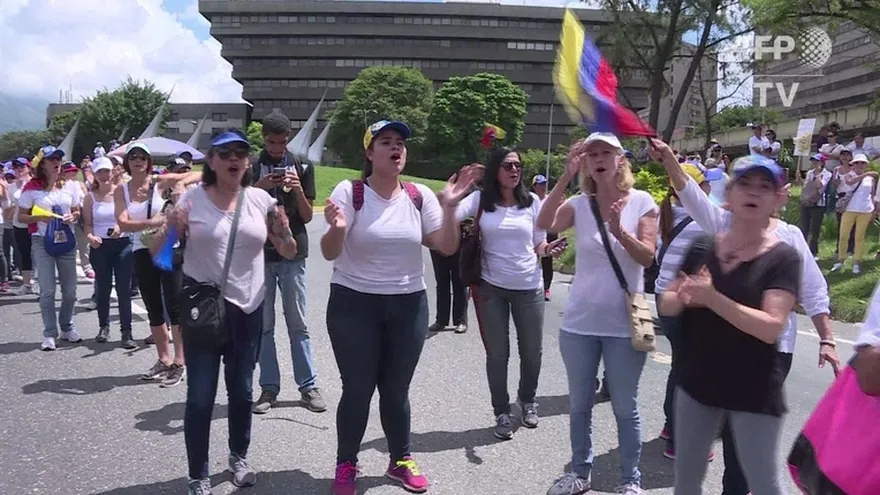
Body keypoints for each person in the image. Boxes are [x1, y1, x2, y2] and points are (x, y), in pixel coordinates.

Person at [321, 120, 474, 495]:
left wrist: (451, 208)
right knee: (357, 388)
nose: (395, 148)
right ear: (369, 152)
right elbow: (329, 252)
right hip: (354, 303)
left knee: (396, 389)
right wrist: (338, 228)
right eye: (385, 142)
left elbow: (446, 246)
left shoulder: (419, 195)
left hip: (407, 305)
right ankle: (346, 464)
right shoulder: (351, 191)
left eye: (400, 143)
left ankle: (400, 460)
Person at [157, 129, 298, 495]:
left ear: (247, 162)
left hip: (248, 309)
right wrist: (171, 229)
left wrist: (283, 232)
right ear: (212, 161)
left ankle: (239, 458)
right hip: (204, 310)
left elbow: (288, 250)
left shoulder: (262, 201)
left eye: (240, 152)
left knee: (242, 391)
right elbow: (160, 252)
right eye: (225, 153)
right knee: (201, 395)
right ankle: (198, 474)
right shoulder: (191, 200)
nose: (234, 158)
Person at [658, 152, 801, 495]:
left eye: (764, 187)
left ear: (777, 199)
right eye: (745, 185)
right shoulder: (704, 245)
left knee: (763, 484)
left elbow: (771, 326)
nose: (753, 193)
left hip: (754, 389)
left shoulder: (783, 257)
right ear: (729, 195)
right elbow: (667, 302)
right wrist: (681, 298)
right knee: (687, 483)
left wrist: (712, 299)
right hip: (697, 384)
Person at [539, 133, 658, 495]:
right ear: (585, 162)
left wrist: (619, 230)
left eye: (607, 152)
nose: (600, 158)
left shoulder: (642, 202)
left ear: (620, 159)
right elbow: (545, 221)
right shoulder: (579, 203)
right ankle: (580, 473)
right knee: (580, 405)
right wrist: (564, 176)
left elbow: (647, 258)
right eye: (592, 154)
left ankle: (629, 480)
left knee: (625, 407)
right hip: (580, 324)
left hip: (625, 325)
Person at [457, 148, 565, 441]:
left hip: (529, 287)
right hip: (490, 288)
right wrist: (455, 192)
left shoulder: (532, 202)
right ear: (496, 170)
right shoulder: (480, 200)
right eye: (508, 165)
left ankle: (527, 400)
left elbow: (539, 243)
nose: (515, 170)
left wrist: (549, 250)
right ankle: (501, 411)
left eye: (518, 165)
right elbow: (450, 214)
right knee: (498, 354)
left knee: (532, 351)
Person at [252, 111, 325, 415]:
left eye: (282, 142)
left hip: (294, 252)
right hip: (260, 254)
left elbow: (307, 217)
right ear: (263, 138)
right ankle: (268, 388)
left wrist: (295, 188)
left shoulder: (302, 164)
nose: (277, 148)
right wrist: (259, 185)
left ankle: (308, 386)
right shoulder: (251, 166)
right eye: (271, 142)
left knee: (298, 323)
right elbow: (237, 209)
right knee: (264, 326)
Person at [115, 142, 186, 387]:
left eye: (142, 157)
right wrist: (151, 222)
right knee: (153, 306)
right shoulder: (121, 190)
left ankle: (179, 361)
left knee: (175, 306)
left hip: (167, 248)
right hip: (141, 250)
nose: (138, 160)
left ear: (148, 161)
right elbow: (122, 222)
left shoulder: (159, 183)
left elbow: (194, 174)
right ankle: (163, 359)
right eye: (133, 156)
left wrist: (176, 183)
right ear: (127, 162)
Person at [18, 146, 82, 350]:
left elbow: (76, 210)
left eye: (59, 159)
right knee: (47, 291)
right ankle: (49, 333)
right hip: (41, 241)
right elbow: (20, 217)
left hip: (66, 242)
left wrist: (75, 216)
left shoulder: (70, 186)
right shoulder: (31, 189)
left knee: (70, 291)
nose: (56, 162)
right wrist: (38, 217)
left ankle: (67, 326)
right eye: (51, 159)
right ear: (42, 164)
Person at [83, 157, 135, 348]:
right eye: (100, 172)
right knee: (103, 288)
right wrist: (90, 237)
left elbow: (128, 217)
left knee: (124, 290)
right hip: (100, 246)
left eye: (107, 171)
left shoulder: (122, 192)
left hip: (122, 244)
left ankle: (126, 332)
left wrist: (119, 226)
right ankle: (103, 327)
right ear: (95, 175)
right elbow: (87, 224)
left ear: (113, 172)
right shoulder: (90, 197)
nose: (104, 175)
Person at [831, 153, 877, 274]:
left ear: (865, 164)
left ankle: (856, 262)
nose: (860, 165)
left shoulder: (870, 179)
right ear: (853, 164)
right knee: (843, 236)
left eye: (862, 163)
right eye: (857, 163)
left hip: (865, 210)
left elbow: (871, 194)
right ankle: (841, 260)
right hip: (849, 210)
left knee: (859, 237)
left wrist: (873, 210)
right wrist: (866, 174)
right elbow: (850, 182)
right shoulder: (849, 175)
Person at [799, 154, 831, 257]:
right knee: (804, 227)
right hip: (807, 202)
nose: (814, 163)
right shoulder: (809, 173)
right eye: (813, 161)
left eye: (817, 161)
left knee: (815, 229)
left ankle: (813, 252)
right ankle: (803, 250)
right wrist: (800, 179)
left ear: (822, 162)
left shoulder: (827, 174)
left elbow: (820, 185)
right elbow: (806, 186)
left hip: (818, 204)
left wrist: (817, 175)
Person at [532, 174, 558, 301]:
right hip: (534, 233)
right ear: (534, 186)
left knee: (547, 261)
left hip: (549, 232)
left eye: (544, 184)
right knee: (533, 259)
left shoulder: (550, 200)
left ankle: (547, 288)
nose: (543, 187)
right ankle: (533, 285)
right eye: (540, 184)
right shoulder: (529, 200)